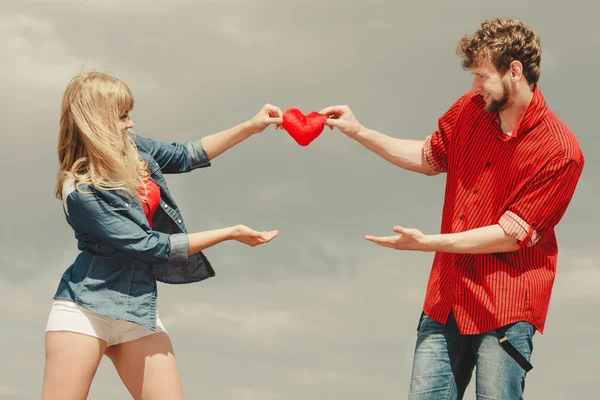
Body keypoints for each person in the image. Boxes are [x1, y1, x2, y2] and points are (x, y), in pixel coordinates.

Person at [321, 18, 584, 400]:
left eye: (481, 76)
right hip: (448, 299)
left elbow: (511, 236)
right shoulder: (469, 110)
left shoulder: (561, 152)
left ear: (515, 70)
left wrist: (430, 243)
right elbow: (427, 157)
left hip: (506, 308)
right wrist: (359, 131)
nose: (474, 87)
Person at [42, 71, 282, 400]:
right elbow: (149, 246)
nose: (131, 124)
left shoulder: (134, 150)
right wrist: (229, 233)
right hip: (85, 309)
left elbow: (185, 155)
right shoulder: (81, 190)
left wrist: (251, 126)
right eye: (122, 116)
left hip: (138, 307)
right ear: (96, 121)